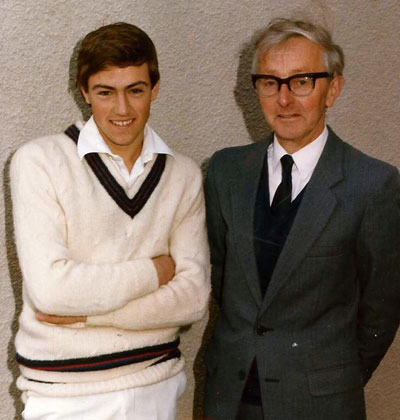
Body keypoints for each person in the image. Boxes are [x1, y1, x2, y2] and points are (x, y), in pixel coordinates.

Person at [202, 18, 400, 420]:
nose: (285, 99)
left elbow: (383, 308)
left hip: (319, 403)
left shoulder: (372, 184)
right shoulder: (225, 171)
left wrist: (330, 377)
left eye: (302, 81)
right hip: (230, 397)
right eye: (271, 82)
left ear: (333, 89)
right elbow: (221, 277)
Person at [10, 22, 210, 420]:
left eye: (135, 90)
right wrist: (155, 271)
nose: (122, 109)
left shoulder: (183, 175)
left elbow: (193, 299)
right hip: (65, 394)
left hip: (157, 383)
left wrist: (87, 315)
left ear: (154, 89)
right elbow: (51, 292)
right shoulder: (39, 162)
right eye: (106, 92)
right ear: (84, 92)